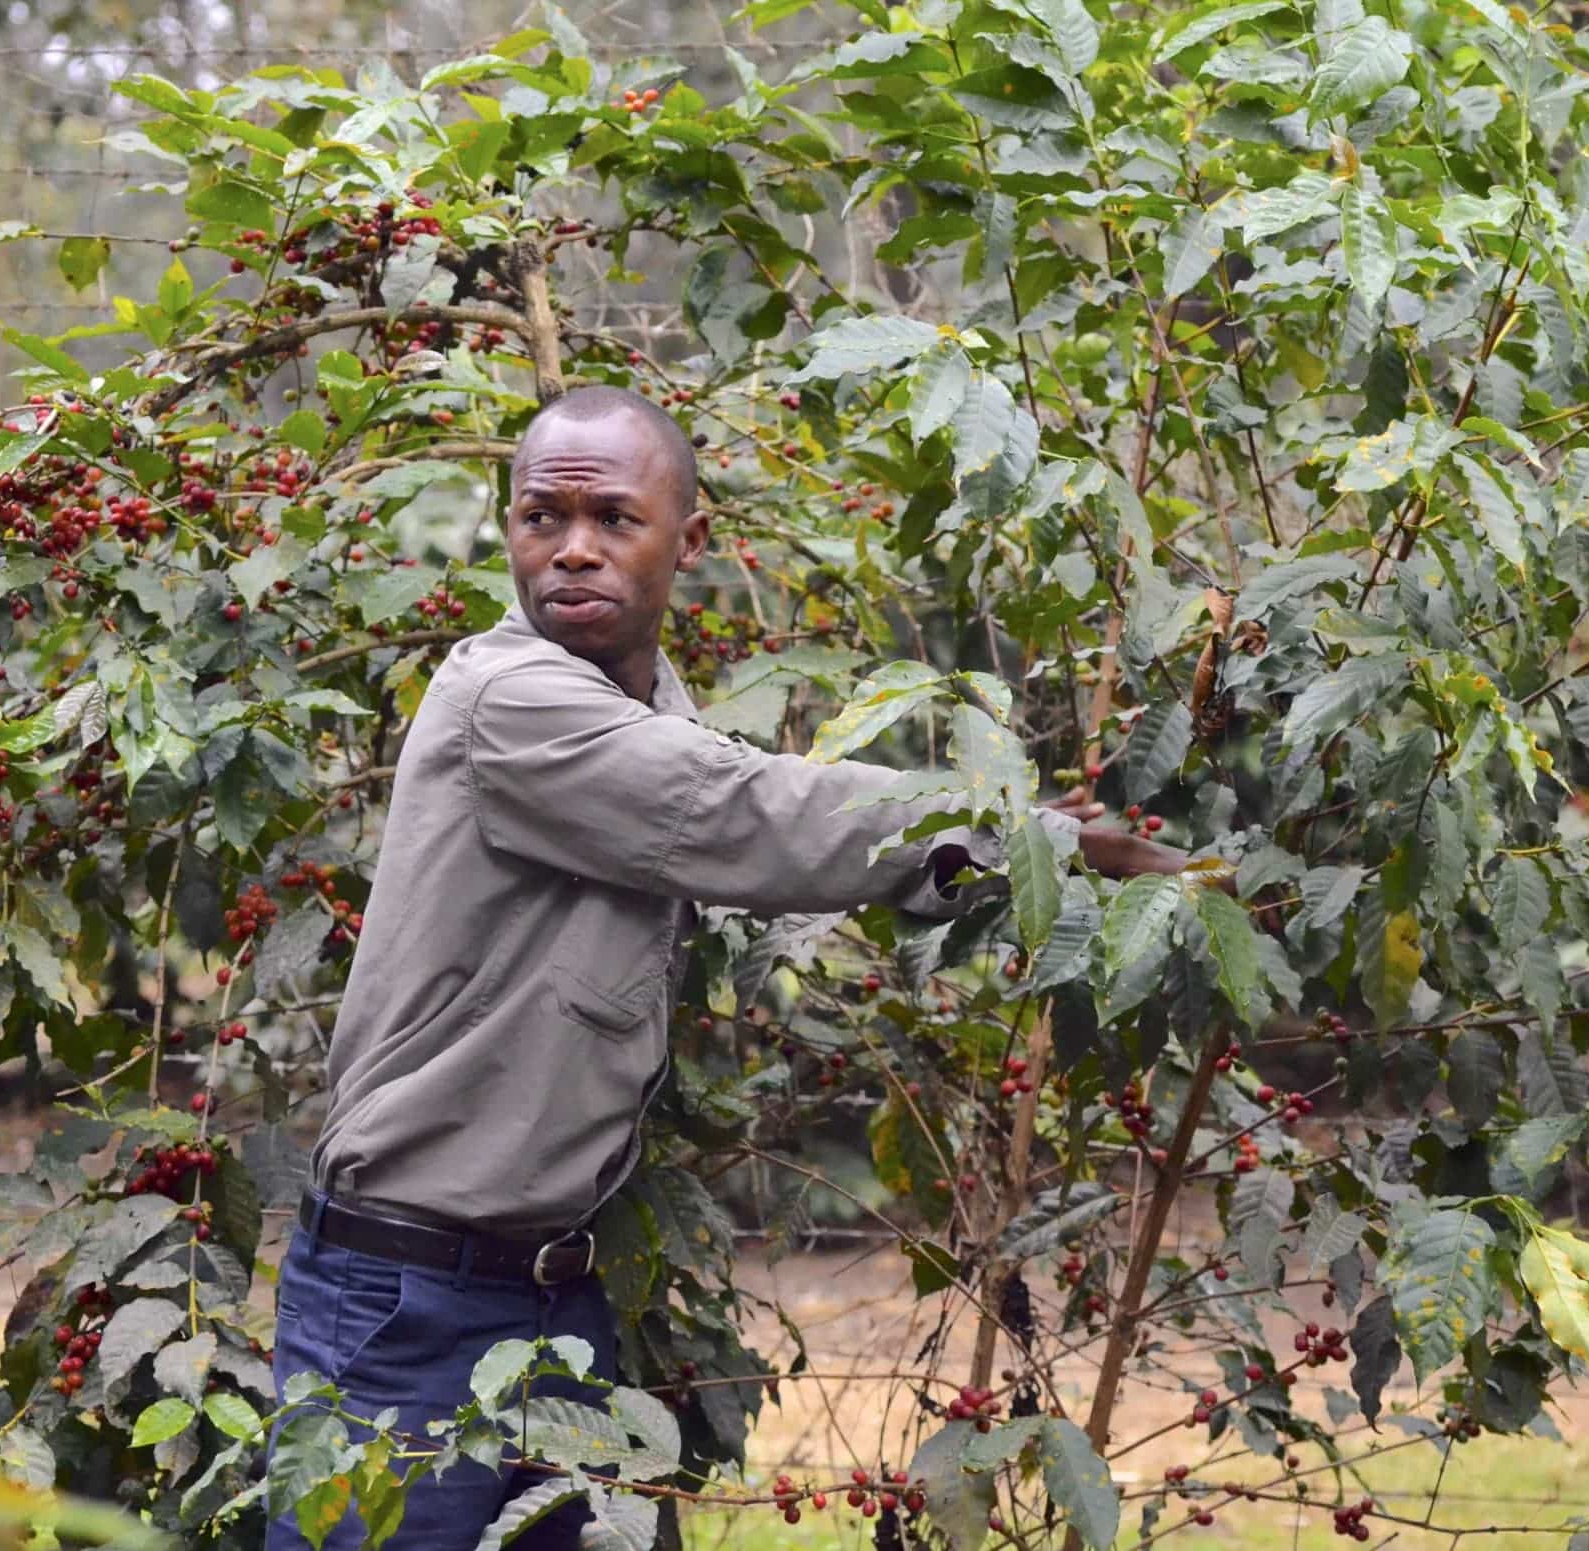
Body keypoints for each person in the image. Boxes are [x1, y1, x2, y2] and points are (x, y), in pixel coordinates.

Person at [268, 385, 1200, 1551]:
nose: (571, 550)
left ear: (688, 541)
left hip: (548, 1295)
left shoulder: (646, 704)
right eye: (541, 518)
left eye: (614, 519)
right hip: (405, 1303)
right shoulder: (510, 700)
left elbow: (728, 807)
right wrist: (1023, 840)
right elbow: (749, 811)